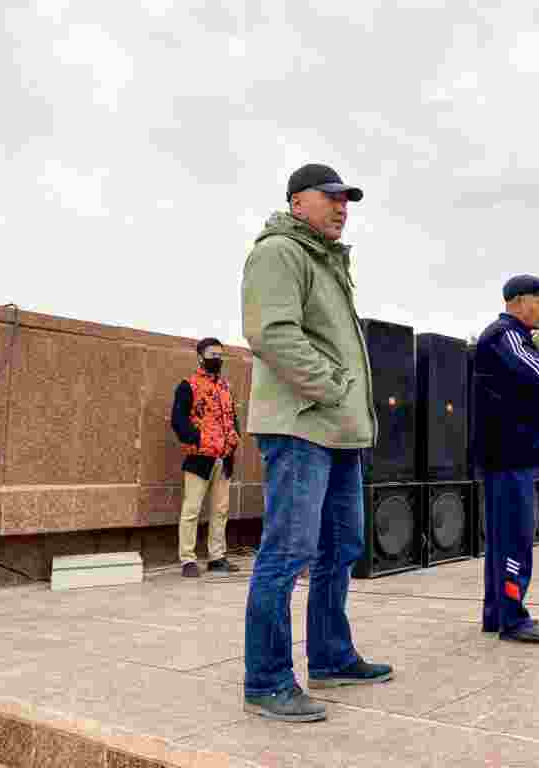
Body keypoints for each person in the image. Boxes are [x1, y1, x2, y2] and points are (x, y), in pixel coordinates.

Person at [240, 163, 391, 722]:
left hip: (338, 432)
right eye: (329, 197)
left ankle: (329, 655)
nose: (341, 206)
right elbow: (270, 333)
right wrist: (332, 389)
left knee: (341, 548)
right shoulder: (279, 251)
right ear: (297, 203)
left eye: (346, 199)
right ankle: (267, 679)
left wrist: (348, 408)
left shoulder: (327, 261)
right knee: (288, 553)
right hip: (301, 426)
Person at [472, 275, 539, 644]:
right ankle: (513, 620)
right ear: (517, 302)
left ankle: (497, 614)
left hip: (511, 455)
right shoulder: (505, 336)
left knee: (505, 539)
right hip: (508, 455)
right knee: (515, 539)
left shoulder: (515, 338)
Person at [170, 338, 241, 578]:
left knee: (220, 510)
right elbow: (178, 420)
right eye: (212, 354)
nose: (217, 359)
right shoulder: (187, 385)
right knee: (192, 509)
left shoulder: (225, 387)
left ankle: (217, 557)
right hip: (199, 458)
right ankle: (187, 559)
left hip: (224, 456)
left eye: (220, 355)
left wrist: (234, 440)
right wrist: (198, 440)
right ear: (200, 356)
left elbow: (232, 417)